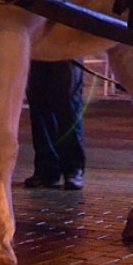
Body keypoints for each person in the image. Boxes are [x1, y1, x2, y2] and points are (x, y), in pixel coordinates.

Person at [23, 60, 86, 190]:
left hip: (69, 44)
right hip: (37, 47)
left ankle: (72, 168)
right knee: (38, 100)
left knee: (68, 101)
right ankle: (47, 169)